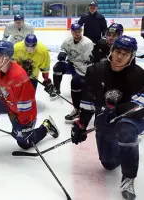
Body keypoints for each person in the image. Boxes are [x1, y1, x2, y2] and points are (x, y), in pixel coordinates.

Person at [71, 35, 144, 200]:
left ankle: (128, 177)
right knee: (108, 164)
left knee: (126, 132)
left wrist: (118, 110)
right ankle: (124, 147)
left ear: (131, 57)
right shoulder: (95, 70)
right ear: (111, 50)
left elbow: (141, 104)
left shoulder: (138, 74)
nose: (120, 57)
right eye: (118, 51)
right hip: (105, 118)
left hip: (130, 117)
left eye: (125, 54)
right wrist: (82, 124)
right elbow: (88, 99)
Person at [0, 40, 59, 153]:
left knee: (24, 142)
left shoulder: (19, 77)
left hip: (21, 111)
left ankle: (46, 126)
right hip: (5, 102)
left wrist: (21, 124)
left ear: (7, 58)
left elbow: (26, 106)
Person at [52, 23, 94, 123]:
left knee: (75, 82)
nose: (77, 33)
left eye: (79, 31)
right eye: (75, 32)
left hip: (82, 67)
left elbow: (87, 59)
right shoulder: (68, 41)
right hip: (71, 65)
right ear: (71, 32)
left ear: (81, 31)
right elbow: (64, 49)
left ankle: (77, 109)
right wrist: (63, 53)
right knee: (58, 67)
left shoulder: (87, 43)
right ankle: (56, 89)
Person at [13, 34, 55, 98]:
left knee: (30, 97)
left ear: (36, 44)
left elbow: (45, 67)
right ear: (24, 43)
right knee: (16, 96)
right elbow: (11, 64)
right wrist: (21, 69)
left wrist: (46, 79)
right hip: (18, 76)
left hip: (33, 76)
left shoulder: (43, 51)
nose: (30, 49)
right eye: (27, 46)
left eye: (32, 46)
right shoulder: (16, 48)